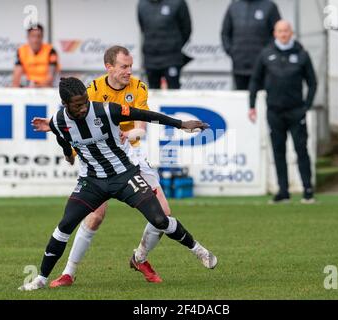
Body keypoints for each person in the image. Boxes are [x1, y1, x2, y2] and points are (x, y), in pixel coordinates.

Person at [19, 77, 217, 291]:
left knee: (160, 219)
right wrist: (69, 156)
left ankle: (198, 250)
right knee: (65, 225)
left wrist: (181, 124)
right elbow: (62, 139)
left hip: (124, 176)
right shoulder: (58, 122)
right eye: (78, 105)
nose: (84, 107)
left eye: (85, 101)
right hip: (92, 182)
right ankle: (41, 278)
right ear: (65, 105)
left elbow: (144, 115)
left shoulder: (106, 110)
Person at [35, 46, 178, 286]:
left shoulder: (138, 87)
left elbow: (142, 125)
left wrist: (129, 133)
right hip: (101, 160)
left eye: (131, 66)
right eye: (124, 66)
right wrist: (65, 144)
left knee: (164, 214)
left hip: (131, 154)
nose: (129, 71)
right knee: (95, 216)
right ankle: (68, 273)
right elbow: (75, 122)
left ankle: (140, 258)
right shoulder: (91, 90)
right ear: (109, 67)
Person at [248, 20, 317, 204]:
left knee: (301, 150)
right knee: (278, 152)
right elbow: (255, 80)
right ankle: (283, 191)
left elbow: (312, 82)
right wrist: (252, 104)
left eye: (286, 30)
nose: (283, 34)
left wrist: (307, 106)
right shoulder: (266, 54)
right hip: (275, 112)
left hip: (296, 111)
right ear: (275, 33)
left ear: (291, 32)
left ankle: (308, 190)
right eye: (280, 31)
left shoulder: (301, 54)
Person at [221, 0, 281, 90]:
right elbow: (225, 33)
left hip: (263, 68)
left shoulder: (269, 6)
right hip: (239, 66)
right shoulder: (233, 7)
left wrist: (267, 55)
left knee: (262, 100)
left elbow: (277, 32)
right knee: (241, 100)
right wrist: (232, 51)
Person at [138, 0, 192, 89]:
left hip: (172, 58)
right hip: (150, 59)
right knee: (152, 92)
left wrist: (174, 45)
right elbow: (143, 27)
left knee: (174, 93)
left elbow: (186, 29)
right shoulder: (142, 3)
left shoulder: (178, 2)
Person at [12, 24, 60, 88]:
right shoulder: (21, 51)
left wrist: (37, 85)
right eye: (33, 36)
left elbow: (50, 78)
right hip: (28, 85)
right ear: (28, 37)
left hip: (47, 87)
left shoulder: (51, 51)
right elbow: (16, 76)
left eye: (38, 36)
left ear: (42, 37)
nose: (36, 40)